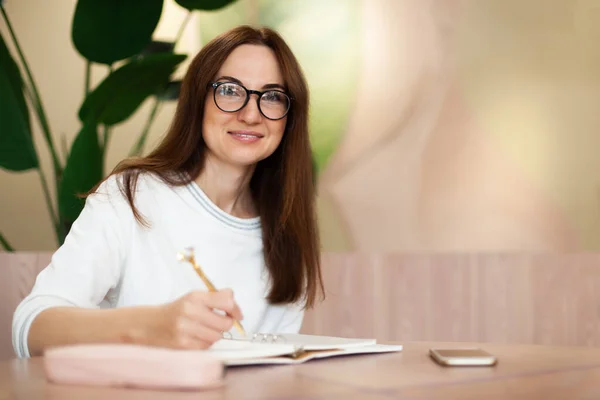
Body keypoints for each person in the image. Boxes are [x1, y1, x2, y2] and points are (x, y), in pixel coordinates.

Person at [12, 25, 324, 358]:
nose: (250, 114)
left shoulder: (286, 229)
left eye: (273, 96)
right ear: (198, 101)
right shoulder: (132, 195)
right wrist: (149, 327)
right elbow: (30, 329)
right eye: (230, 91)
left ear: (290, 118)